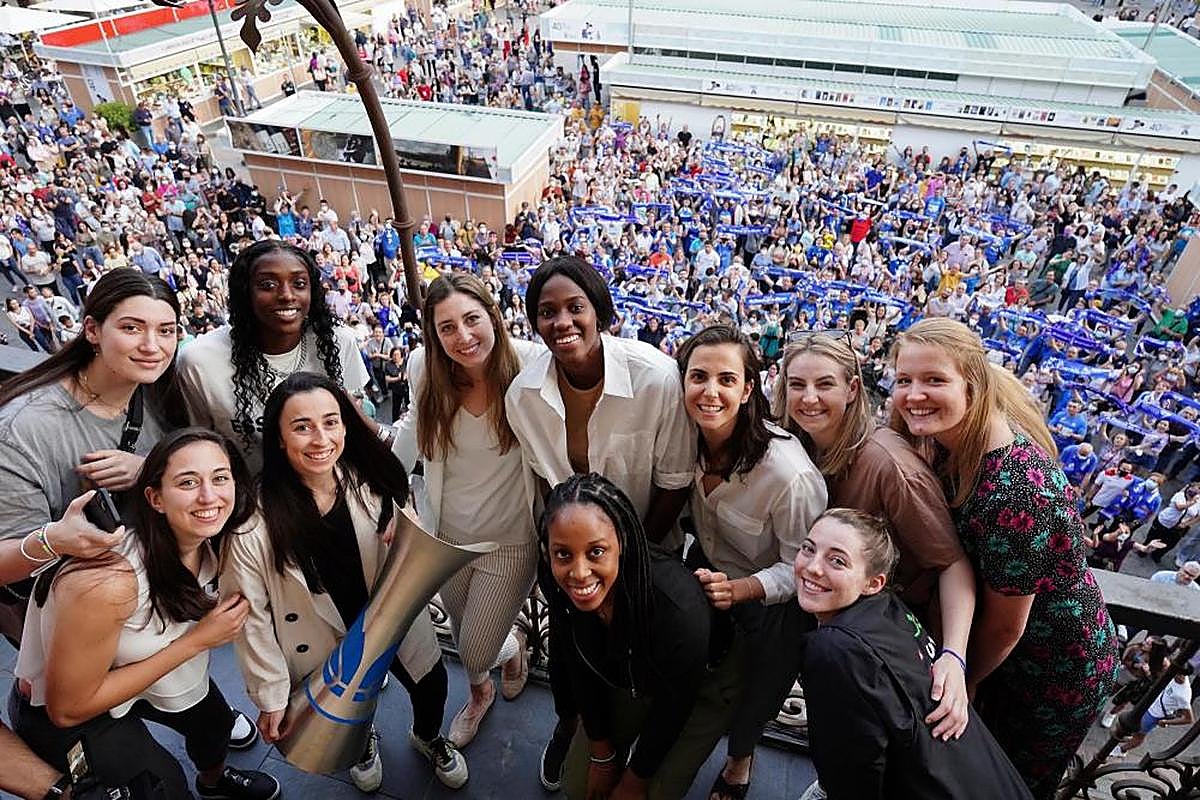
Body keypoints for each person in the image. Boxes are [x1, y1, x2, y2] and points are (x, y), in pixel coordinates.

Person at [890, 318, 1119, 799]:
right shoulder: (958, 438)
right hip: (1012, 658)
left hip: (1050, 670)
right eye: (904, 379)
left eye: (934, 380)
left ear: (972, 385)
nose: (914, 394)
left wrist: (965, 677)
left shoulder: (1014, 488)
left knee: (1002, 785)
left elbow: (1007, 625)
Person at [221, 372, 467, 791]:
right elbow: (251, 619)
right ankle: (361, 744)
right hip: (324, 636)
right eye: (302, 427)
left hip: (389, 613)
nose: (321, 439)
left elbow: (406, 517)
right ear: (279, 438)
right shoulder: (251, 525)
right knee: (348, 706)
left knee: (432, 684)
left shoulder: (370, 477)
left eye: (331, 422)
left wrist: (405, 527)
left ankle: (427, 737)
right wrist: (271, 695)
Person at [504, 255, 696, 791]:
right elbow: (546, 482)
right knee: (571, 654)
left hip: (646, 554)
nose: (562, 322)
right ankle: (574, 727)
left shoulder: (655, 377)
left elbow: (674, 481)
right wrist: (568, 556)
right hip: (570, 560)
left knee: (636, 656)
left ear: (600, 311)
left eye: (575, 307)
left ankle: (633, 748)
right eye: (547, 312)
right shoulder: (523, 395)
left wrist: (628, 560)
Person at [10, 428, 279, 799]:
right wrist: (198, 641)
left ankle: (214, 782)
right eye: (188, 482)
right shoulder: (109, 582)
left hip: (151, 670)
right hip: (71, 711)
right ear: (155, 498)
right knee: (163, 786)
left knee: (215, 725)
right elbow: (67, 709)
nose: (209, 496)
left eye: (220, 478)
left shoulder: (220, 539)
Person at [776, 332, 976, 747]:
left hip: (885, 648)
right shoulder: (797, 448)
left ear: (852, 389)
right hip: (837, 633)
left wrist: (954, 658)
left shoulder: (890, 467)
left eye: (824, 384)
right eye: (797, 385)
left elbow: (950, 562)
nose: (809, 398)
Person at [674, 325, 826, 799]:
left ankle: (740, 759)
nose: (710, 391)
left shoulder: (789, 475)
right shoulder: (680, 437)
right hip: (706, 569)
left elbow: (803, 567)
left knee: (760, 689)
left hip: (771, 602)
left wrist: (740, 590)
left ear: (747, 390)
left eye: (726, 379)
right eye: (698, 377)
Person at [392, 275, 543, 748]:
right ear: (433, 335)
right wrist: (385, 494)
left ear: (493, 316)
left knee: (476, 649)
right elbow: (409, 432)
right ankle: (481, 692)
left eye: (471, 319)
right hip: (447, 536)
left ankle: (510, 651)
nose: (463, 336)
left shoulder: (532, 365)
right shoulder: (426, 369)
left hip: (510, 540)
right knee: (460, 631)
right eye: (447, 327)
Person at [0, 272, 189, 644]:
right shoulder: (22, 431)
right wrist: (55, 540)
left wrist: (150, 469)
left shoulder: (159, 390)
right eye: (132, 328)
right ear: (91, 330)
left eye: (166, 331)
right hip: (74, 628)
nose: (152, 346)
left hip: (151, 606)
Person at [796, 508, 1032, 800]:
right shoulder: (888, 609)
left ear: (873, 583)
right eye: (808, 549)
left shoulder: (835, 649)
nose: (813, 568)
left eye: (837, 561)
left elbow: (855, 771)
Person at [540, 472, 736, 800]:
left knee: (654, 794)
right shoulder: (555, 577)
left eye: (596, 552)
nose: (579, 573)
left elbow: (676, 704)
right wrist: (602, 754)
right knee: (578, 785)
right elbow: (578, 658)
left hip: (703, 683)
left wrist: (636, 779)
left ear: (622, 542)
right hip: (631, 671)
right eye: (563, 554)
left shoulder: (677, 608)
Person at [177, 240, 370, 472]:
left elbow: (355, 426)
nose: (287, 295)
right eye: (268, 285)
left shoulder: (338, 341)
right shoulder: (199, 360)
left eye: (299, 283)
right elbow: (198, 447)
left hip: (332, 484)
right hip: (249, 491)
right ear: (245, 292)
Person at [1109, 664, 1195, 759]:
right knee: (1131, 723)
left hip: (1154, 715)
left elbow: (1189, 719)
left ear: (1180, 674)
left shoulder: (1184, 695)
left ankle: (1122, 750)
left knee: (1139, 736)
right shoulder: (1173, 675)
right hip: (1149, 703)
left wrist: (1166, 722)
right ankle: (1128, 738)